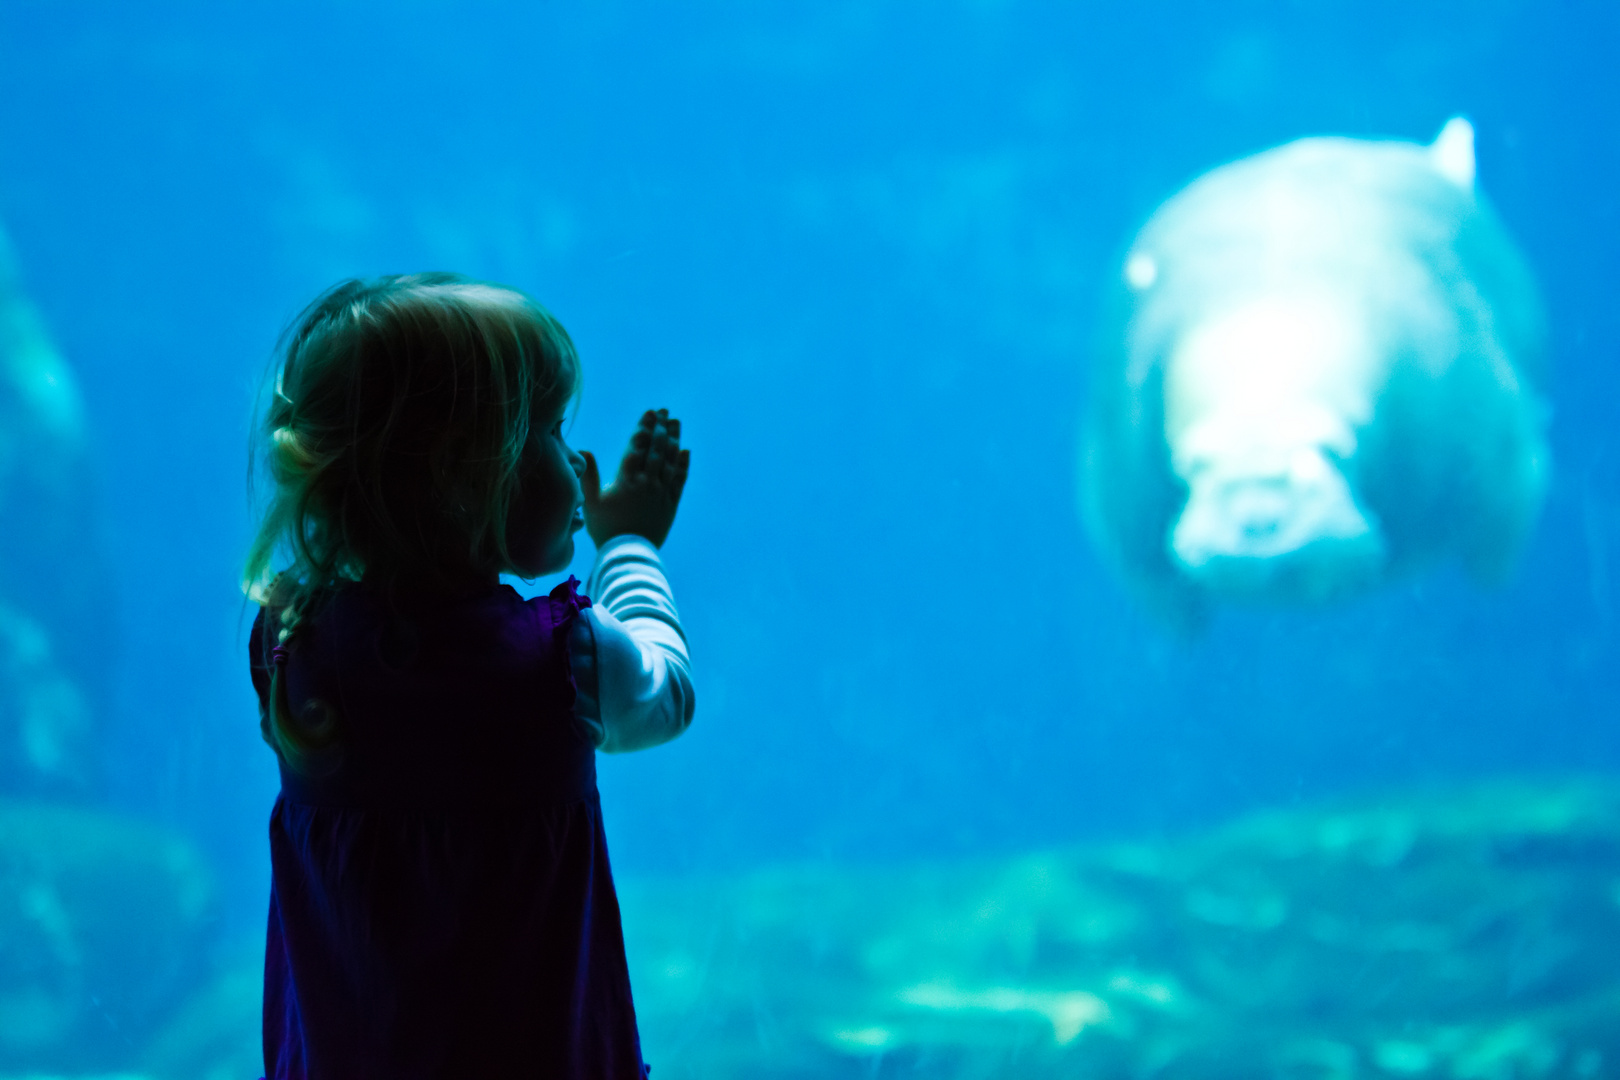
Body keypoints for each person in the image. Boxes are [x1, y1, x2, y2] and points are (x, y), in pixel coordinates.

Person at [243, 273, 694, 1079]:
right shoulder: (563, 660)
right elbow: (668, 695)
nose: (577, 457)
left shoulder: (290, 641)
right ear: (467, 478)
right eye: (552, 431)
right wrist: (632, 547)